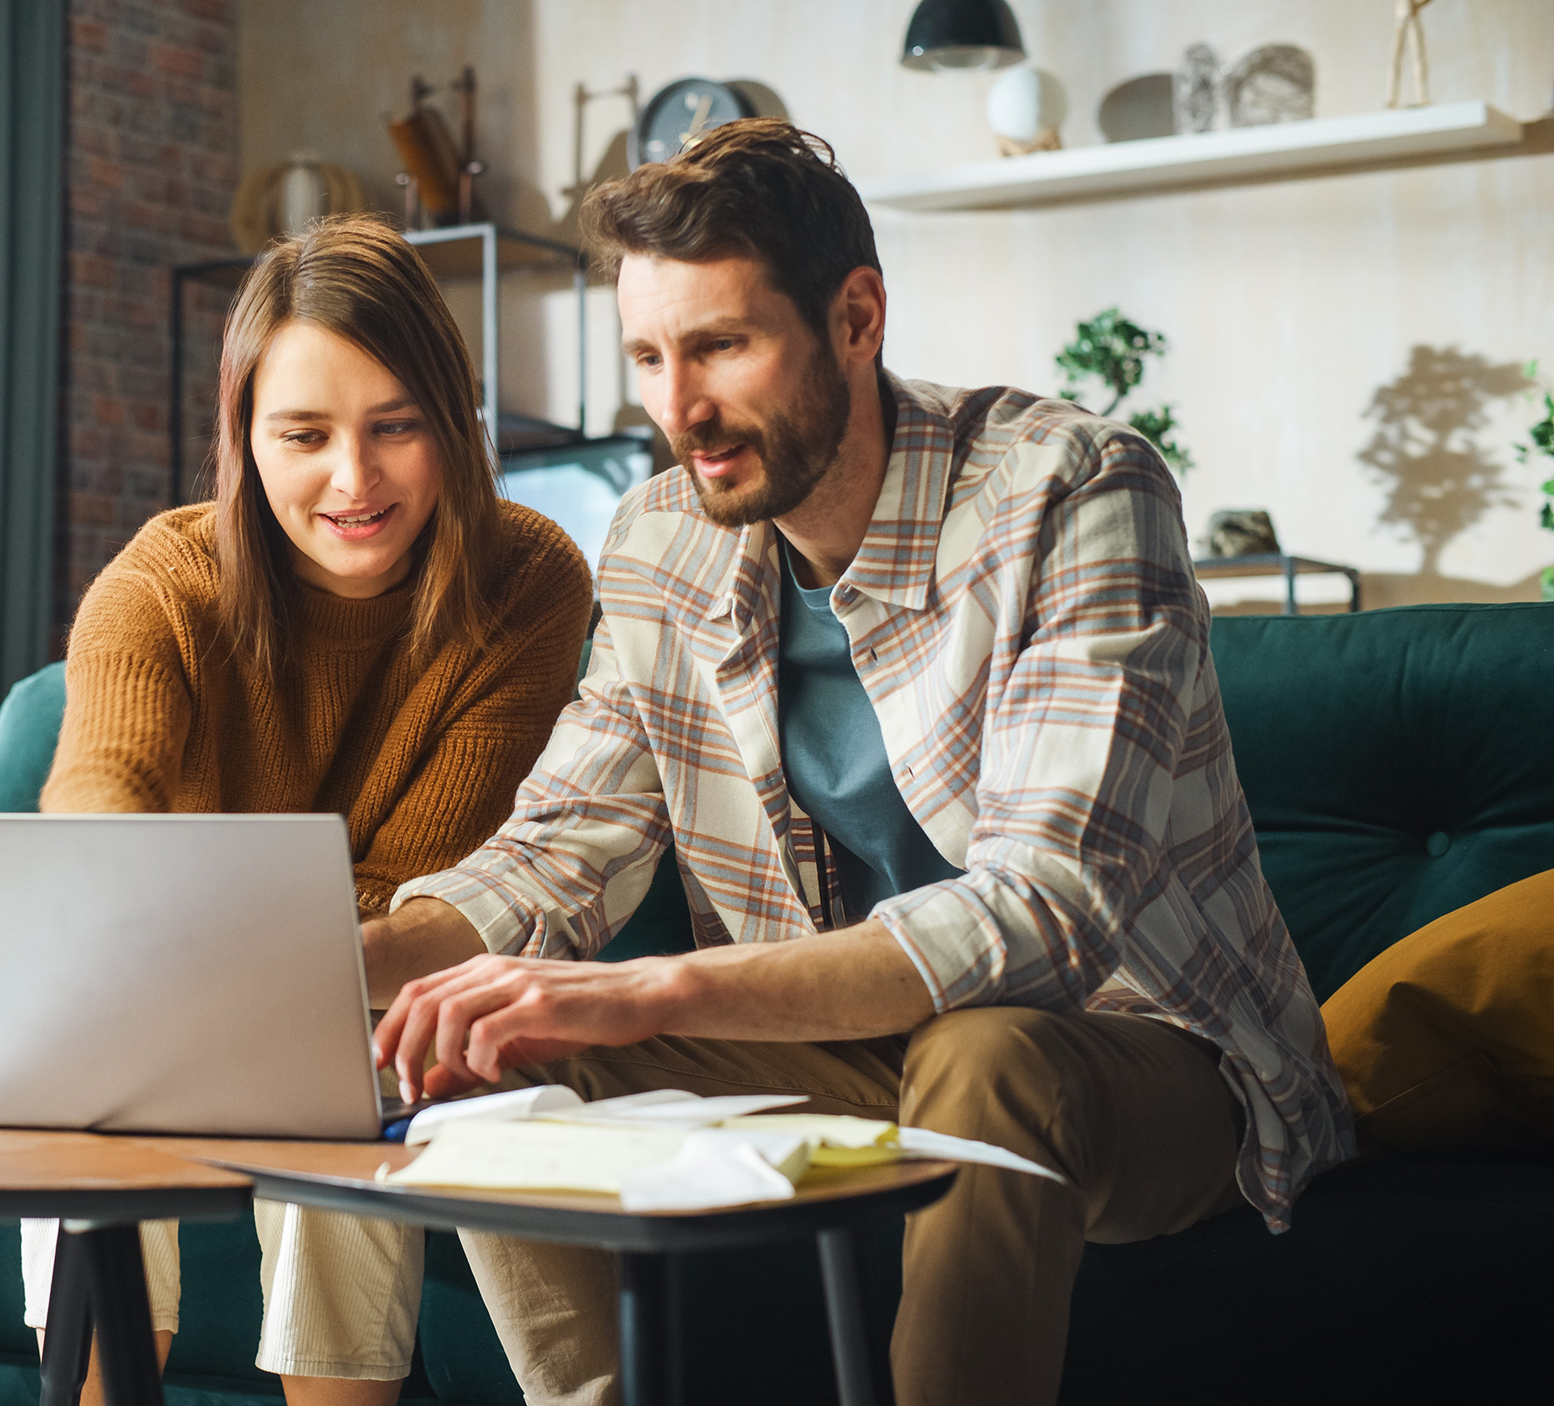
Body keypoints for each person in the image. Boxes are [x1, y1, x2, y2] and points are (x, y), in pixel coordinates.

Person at [360, 120, 1354, 1406]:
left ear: (856, 316)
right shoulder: (660, 539)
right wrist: (334, 966)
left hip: (1145, 1053)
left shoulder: (1072, 489)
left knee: (989, 1054)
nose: (680, 410)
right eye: (651, 358)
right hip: (851, 1048)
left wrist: (654, 988)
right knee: (497, 1045)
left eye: (721, 346)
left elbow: (1046, 913)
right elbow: (560, 842)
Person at [0, 213, 592, 1405]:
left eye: (395, 426)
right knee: (85, 1101)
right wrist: (138, 949)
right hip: (148, 985)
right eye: (303, 433)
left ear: (453, 423)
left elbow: (436, 884)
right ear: (243, 438)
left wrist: (242, 962)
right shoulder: (165, 579)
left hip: (374, 984)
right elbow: (94, 816)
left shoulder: (528, 577)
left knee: (335, 1088)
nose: (354, 479)